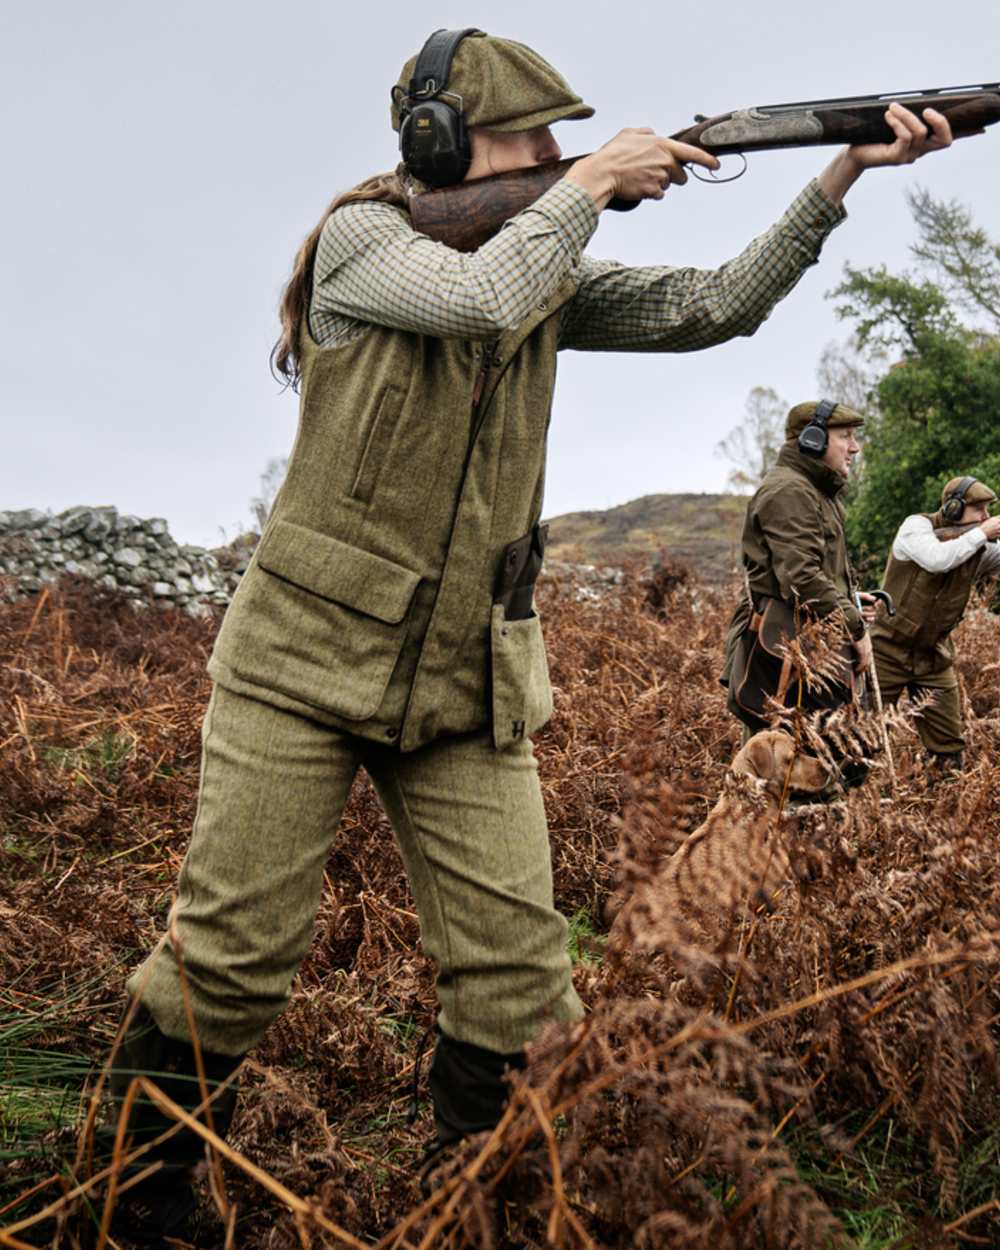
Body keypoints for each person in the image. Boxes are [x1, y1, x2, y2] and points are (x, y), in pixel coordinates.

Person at [100, 27, 958, 1240]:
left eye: (567, 140)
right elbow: (475, 297)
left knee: (520, 986)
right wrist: (592, 183)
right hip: (299, 664)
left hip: (469, 678)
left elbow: (713, 306)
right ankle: (127, 1198)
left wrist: (840, 172)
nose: (555, 152)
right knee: (233, 957)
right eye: (534, 138)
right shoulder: (364, 244)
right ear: (439, 143)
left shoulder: (540, 259)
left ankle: (483, 1205)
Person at [723, 400, 878, 749]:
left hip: (805, 646)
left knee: (818, 757)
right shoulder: (790, 491)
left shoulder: (814, 491)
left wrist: (850, 599)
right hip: (785, 650)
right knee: (785, 762)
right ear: (812, 440)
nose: (855, 447)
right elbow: (801, 578)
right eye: (846, 436)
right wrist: (855, 627)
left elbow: (813, 571)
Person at [871, 476, 1000, 770]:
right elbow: (938, 559)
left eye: (988, 510)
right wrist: (981, 533)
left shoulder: (977, 547)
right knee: (861, 736)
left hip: (933, 655)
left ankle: (944, 791)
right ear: (954, 509)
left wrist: (982, 536)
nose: (986, 517)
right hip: (886, 651)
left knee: (949, 748)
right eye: (979, 509)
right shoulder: (916, 527)